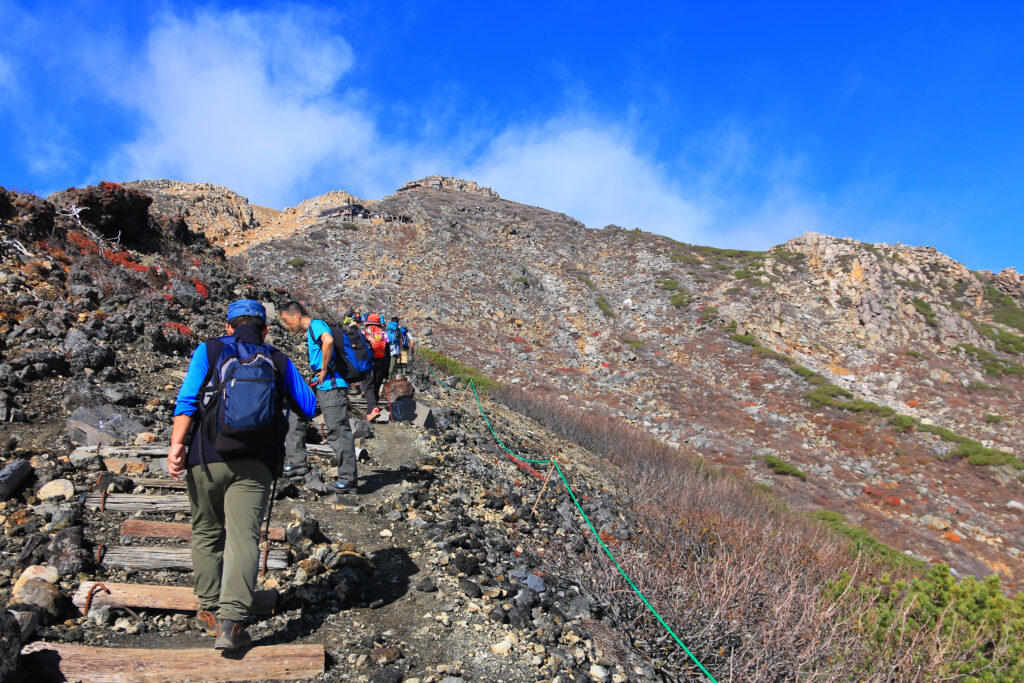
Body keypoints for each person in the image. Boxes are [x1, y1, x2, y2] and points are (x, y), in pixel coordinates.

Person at [167, 300, 316, 651]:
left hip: (206, 459)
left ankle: (208, 609)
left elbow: (187, 401)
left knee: (206, 530)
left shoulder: (211, 349)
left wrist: (176, 446)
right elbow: (308, 406)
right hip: (256, 465)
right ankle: (231, 623)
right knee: (244, 538)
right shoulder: (276, 358)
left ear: (229, 326)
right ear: (264, 330)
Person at [279, 301, 359, 495]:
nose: (286, 325)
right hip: (319, 384)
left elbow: (328, 341)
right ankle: (297, 464)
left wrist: (323, 369)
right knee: (295, 413)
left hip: (331, 383)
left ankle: (348, 480)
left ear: (296, 314)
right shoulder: (311, 330)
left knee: (337, 430)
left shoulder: (316, 324)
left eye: (286, 320)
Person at [360, 313, 390, 421]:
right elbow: (387, 354)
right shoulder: (384, 334)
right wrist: (386, 371)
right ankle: (371, 413)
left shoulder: (363, 333)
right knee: (376, 387)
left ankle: (373, 409)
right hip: (381, 363)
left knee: (368, 387)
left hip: (367, 363)